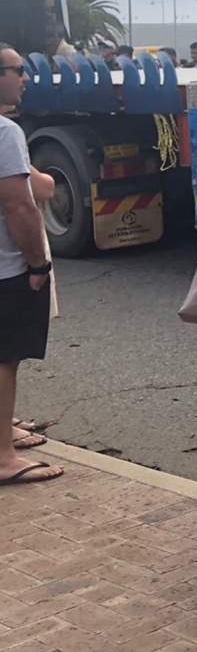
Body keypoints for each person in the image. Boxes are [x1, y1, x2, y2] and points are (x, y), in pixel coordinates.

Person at [0, 46, 62, 486]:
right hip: (6, 268)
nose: (25, 77)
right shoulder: (4, 133)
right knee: (5, 359)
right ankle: (3, 457)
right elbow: (19, 205)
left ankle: (3, 432)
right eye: (18, 71)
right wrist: (38, 264)